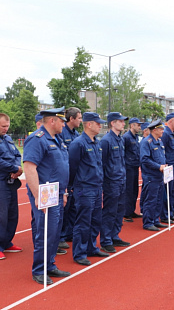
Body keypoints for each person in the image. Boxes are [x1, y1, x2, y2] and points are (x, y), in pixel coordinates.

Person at [23, 107, 71, 284]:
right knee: (45, 232)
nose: (64, 124)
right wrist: (37, 197)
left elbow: (61, 168)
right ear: (52, 121)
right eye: (62, 121)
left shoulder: (57, 139)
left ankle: (50, 265)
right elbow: (29, 168)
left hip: (57, 193)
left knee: (55, 232)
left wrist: (64, 192)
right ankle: (39, 270)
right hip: (44, 195)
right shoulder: (37, 139)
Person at [69, 112, 109, 265]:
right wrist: (73, 187)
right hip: (84, 189)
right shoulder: (78, 143)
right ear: (89, 124)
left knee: (95, 220)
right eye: (98, 123)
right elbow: (72, 167)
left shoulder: (96, 142)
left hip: (97, 187)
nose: (100, 125)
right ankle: (79, 253)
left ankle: (91, 247)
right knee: (83, 222)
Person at [0, 113, 23, 260]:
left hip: (11, 181)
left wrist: (16, 167)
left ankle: (6, 242)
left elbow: (17, 154)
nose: (6, 129)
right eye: (3, 126)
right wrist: (12, 168)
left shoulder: (8, 139)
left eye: (7, 126)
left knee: (12, 214)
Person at [100, 112, 131, 254]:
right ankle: (106, 240)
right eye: (120, 121)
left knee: (119, 210)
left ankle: (114, 235)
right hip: (111, 182)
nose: (123, 124)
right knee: (110, 211)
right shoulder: (106, 140)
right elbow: (103, 163)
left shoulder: (120, 140)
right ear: (112, 123)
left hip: (121, 180)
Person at [59, 107, 82, 250]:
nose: (81, 120)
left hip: (75, 175)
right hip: (65, 174)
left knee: (73, 206)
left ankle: (69, 233)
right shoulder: (62, 133)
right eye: (79, 118)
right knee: (64, 207)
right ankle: (60, 236)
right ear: (71, 119)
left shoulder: (76, 134)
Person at [140, 120, 168, 231]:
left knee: (158, 199)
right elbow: (145, 159)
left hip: (159, 176)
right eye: (161, 129)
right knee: (150, 200)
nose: (162, 131)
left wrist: (163, 165)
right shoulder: (147, 142)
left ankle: (155, 220)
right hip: (151, 176)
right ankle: (148, 222)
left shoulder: (159, 141)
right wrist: (159, 166)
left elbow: (161, 157)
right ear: (154, 130)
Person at [161, 113, 174, 222]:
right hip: (169, 167)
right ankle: (165, 215)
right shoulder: (165, 134)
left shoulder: (173, 134)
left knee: (173, 191)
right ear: (170, 121)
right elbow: (162, 150)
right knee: (168, 192)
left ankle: (172, 211)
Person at [123, 117, 144, 222]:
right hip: (128, 167)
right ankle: (126, 213)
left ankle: (131, 210)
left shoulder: (136, 137)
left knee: (135, 190)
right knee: (129, 190)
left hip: (135, 165)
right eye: (138, 125)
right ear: (132, 125)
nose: (139, 127)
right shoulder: (126, 137)